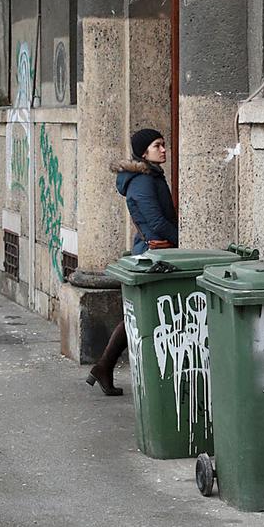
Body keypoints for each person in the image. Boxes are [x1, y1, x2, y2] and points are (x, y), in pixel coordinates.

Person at [87, 128, 178, 396]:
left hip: (155, 251)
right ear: (144, 152)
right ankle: (106, 365)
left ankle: (104, 366)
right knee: (138, 315)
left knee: (136, 315)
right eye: (157, 145)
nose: (163, 149)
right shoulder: (142, 182)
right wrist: (185, 241)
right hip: (152, 254)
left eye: (163, 144)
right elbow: (158, 223)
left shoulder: (150, 177)